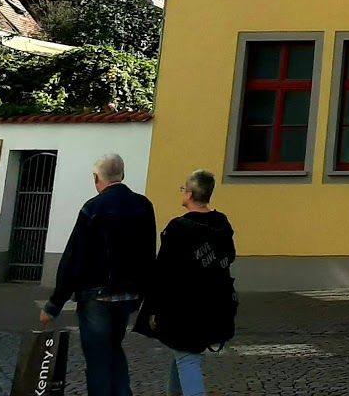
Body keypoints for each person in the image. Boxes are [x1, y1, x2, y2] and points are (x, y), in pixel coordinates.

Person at [40, 153, 157, 396]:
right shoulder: (143, 205)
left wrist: (54, 303)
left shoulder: (93, 208)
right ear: (122, 175)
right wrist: (145, 292)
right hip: (128, 294)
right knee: (114, 347)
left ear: (97, 178)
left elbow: (74, 257)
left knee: (97, 358)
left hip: (96, 294)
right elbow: (148, 251)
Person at [136, 170, 236, 396]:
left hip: (183, 309)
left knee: (187, 359)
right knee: (181, 355)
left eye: (183, 189)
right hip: (214, 305)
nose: (182, 193)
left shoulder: (178, 228)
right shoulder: (222, 224)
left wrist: (153, 310)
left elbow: (163, 273)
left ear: (190, 194)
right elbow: (228, 257)